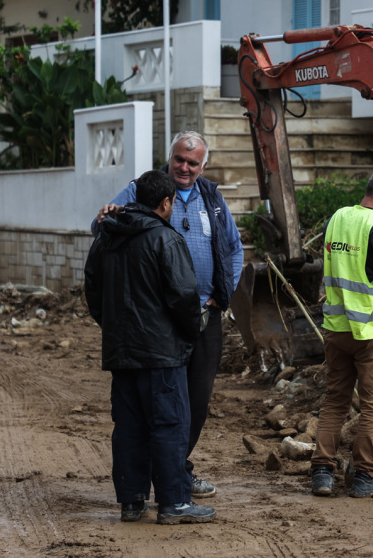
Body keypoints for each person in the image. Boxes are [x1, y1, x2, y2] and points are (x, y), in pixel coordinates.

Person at [93, 131, 244, 499]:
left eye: (193, 162)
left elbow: (234, 248)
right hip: (157, 322)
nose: (185, 167)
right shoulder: (143, 189)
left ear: (203, 166)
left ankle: (175, 469)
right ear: (170, 157)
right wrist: (106, 215)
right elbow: (103, 230)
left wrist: (221, 294)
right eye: (180, 159)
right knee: (158, 404)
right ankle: (162, 480)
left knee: (196, 400)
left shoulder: (213, 198)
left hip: (204, 314)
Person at [84, 170, 215, 524]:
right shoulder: (166, 239)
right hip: (161, 355)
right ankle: (174, 502)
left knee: (129, 427)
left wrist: (113, 327)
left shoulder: (108, 237)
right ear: (166, 203)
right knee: (169, 425)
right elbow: (184, 297)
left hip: (122, 352)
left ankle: (132, 502)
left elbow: (93, 289)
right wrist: (190, 333)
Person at [310, 168, 373, 498]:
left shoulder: (337, 218)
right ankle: (365, 476)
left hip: (336, 327)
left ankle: (322, 473)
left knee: (335, 400)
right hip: (371, 328)